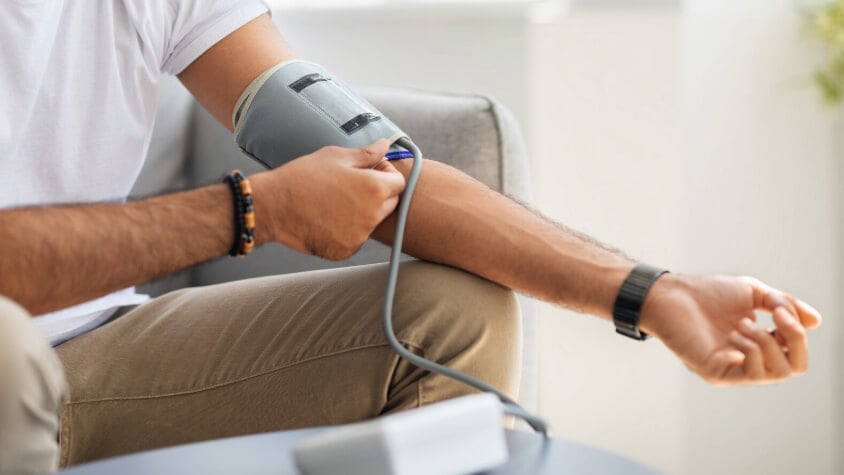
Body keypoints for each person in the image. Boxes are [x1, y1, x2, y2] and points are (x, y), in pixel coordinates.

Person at [0, 2, 822, 473]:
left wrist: (653, 290)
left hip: (93, 349)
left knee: (450, 311)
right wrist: (248, 211)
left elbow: (380, 164)